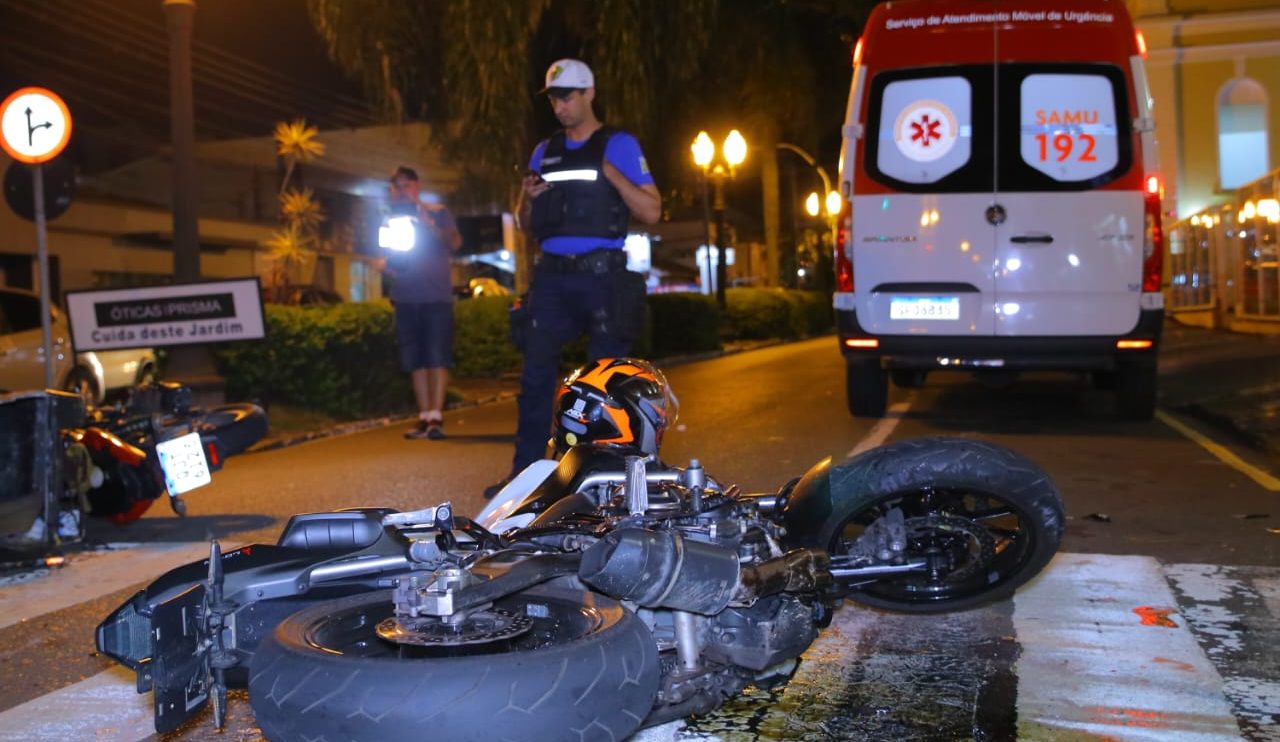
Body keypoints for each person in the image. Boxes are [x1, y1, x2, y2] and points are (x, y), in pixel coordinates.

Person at [486, 58, 661, 497]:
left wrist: (611, 174)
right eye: (553, 99)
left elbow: (652, 211)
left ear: (588, 93)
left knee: (604, 386)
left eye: (566, 97)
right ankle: (525, 479)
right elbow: (528, 223)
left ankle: (602, 479)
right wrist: (528, 201)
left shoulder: (618, 144)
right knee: (535, 379)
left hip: (602, 278)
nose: (559, 107)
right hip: (552, 279)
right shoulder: (544, 150)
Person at [381, 165, 462, 440]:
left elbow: (455, 242)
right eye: (397, 187)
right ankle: (424, 415)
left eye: (406, 186)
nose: (402, 191)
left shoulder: (437, 212)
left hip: (436, 295)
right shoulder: (389, 217)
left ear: (417, 186)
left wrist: (430, 225)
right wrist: (387, 265)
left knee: (437, 356)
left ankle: (436, 417)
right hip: (405, 295)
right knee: (414, 360)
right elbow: (384, 254)